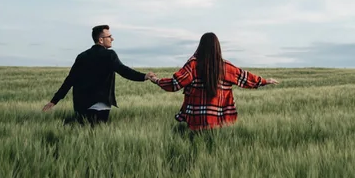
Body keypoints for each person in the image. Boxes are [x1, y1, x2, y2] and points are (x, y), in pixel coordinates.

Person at [147, 32, 278, 131]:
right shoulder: (225, 67)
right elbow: (245, 78)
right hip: (219, 122)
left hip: (196, 121)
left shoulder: (193, 64)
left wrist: (156, 80)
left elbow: (175, 83)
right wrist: (264, 81)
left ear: (201, 46)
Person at [42, 25, 154, 125]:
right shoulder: (109, 55)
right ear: (101, 40)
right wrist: (144, 76)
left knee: (84, 139)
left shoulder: (82, 56)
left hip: (81, 106)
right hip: (100, 105)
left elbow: (70, 80)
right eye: (109, 36)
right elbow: (123, 70)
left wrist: (54, 101)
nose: (112, 39)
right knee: (96, 135)